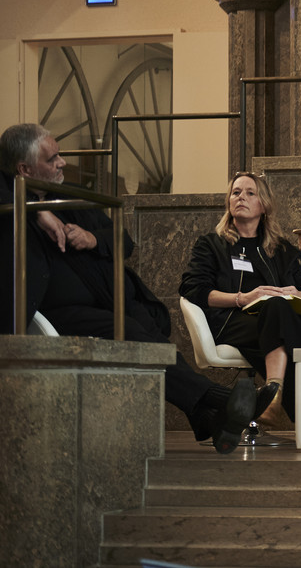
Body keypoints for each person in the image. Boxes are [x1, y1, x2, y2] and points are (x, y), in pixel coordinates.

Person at [0, 123, 272, 454]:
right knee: (129, 328)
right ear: (23, 169)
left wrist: (93, 238)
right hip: (52, 313)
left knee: (146, 323)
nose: (61, 163)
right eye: (52, 158)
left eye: (60, 154)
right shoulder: (8, 198)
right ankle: (219, 399)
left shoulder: (71, 195)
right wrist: (36, 208)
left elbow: (124, 241)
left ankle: (206, 415)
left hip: (106, 299)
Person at [180, 171, 301, 427]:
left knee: (279, 309)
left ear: (264, 205)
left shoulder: (281, 249)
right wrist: (243, 298)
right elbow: (193, 289)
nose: (241, 197)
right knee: (286, 325)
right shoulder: (211, 245)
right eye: (236, 193)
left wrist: (298, 294)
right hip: (229, 320)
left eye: (249, 193)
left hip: (272, 321)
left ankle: (273, 396)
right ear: (228, 202)